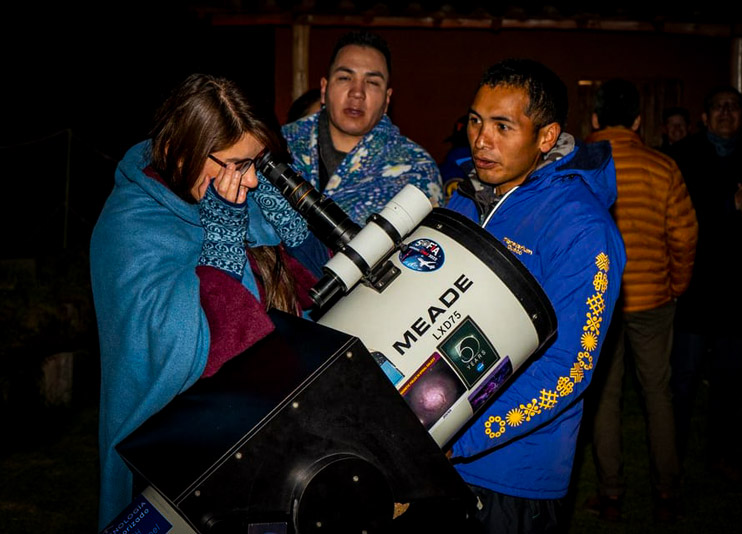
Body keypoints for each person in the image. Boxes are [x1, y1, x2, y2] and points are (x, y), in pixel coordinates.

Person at [91, 74, 316, 528]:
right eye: (238, 164)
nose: (251, 180)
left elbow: (313, 288)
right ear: (181, 153)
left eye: (257, 162)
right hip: (184, 460)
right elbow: (190, 349)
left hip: (274, 433)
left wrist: (293, 228)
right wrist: (223, 244)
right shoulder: (131, 226)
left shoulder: (234, 195)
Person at [447, 59, 625, 533]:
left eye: (503, 125)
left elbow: (570, 366)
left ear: (546, 137)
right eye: (475, 120)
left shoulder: (583, 229)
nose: (481, 139)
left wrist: (460, 434)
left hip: (513, 473)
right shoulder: (464, 197)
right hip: (438, 458)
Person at [585, 79, 697, 523]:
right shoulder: (663, 166)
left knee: (604, 399)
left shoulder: (578, 168)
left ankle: (611, 493)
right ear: (637, 120)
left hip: (598, 302)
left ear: (594, 120)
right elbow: (685, 235)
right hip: (653, 298)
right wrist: (676, 286)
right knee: (657, 393)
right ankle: (666, 492)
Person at [669, 85, 742, 480]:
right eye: (719, 107)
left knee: (729, 380)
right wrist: (730, 205)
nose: (727, 113)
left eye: (734, 108)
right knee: (684, 377)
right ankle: (671, 453)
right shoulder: (684, 158)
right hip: (696, 286)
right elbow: (683, 214)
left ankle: (720, 453)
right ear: (705, 117)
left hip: (739, 289)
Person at [282, 30, 443, 227]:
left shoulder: (416, 169)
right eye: (345, 78)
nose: (357, 93)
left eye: (372, 82)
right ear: (324, 89)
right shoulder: (282, 146)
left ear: (387, 99)